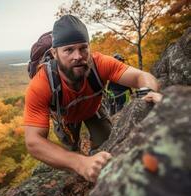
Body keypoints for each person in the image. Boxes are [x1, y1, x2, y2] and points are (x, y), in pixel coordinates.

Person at [23, 15, 163, 183]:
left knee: (107, 140)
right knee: (71, 152)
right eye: (68, 50)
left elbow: (141, 76)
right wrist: (80, 163)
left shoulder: (99, 63)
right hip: (66, 120)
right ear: (54, 53)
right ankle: (81, 163)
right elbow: (33, 141)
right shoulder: (42, 84)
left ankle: (95, 161)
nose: (78, 56)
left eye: (83, 48)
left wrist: (148, 92)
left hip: (93, 110)